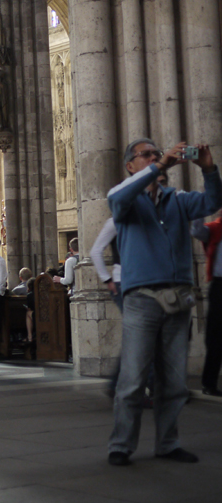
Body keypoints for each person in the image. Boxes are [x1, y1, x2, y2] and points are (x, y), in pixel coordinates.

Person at [107, 139, 222, 467]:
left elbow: (214, 201)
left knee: (173, 380)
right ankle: (121, 444)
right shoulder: (125, 198)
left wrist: (209, 168)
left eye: (158, 154)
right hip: (142, 299)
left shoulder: (178, 199)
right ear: (131, 165)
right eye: (146, 155)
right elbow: (118, 199)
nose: (156, 158)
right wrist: (160, 167)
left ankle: (168, 442)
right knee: (132, 378)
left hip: (178, 296)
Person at [191, 215, 222, 397]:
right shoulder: (215, 227)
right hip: (219, 285)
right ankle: (209, 383)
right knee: (216, 336)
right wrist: (199, 209)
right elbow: (197, 231)